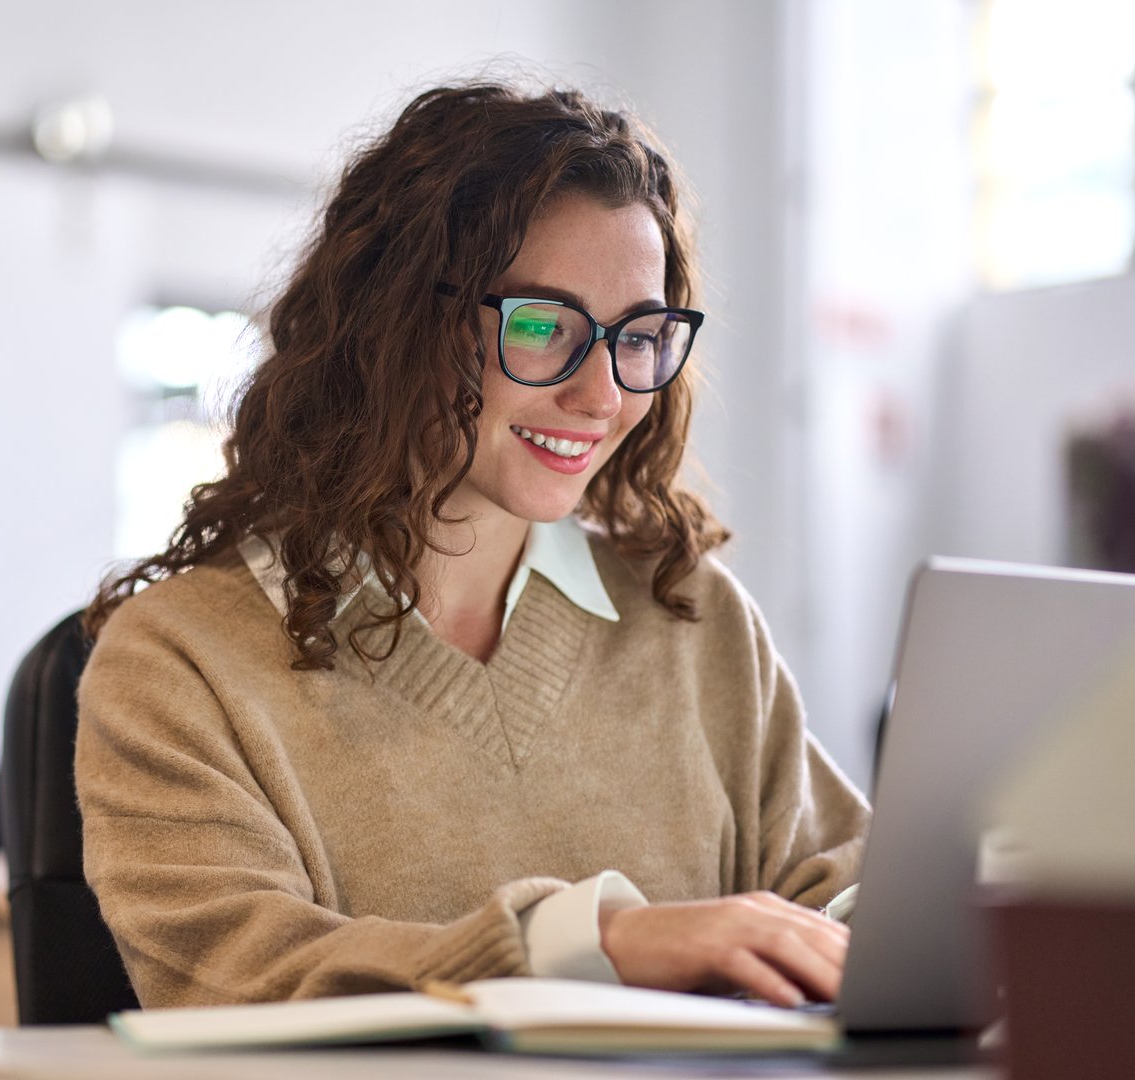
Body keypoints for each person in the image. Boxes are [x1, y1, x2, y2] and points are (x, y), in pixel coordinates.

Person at [76, 81, 869, 1011]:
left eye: (640, 336)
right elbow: (242, 977)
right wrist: (597, 944)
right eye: (542, 327)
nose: (604, 398)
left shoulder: (694, 619)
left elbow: (844, 902)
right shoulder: (178, 661)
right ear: (394, 326)